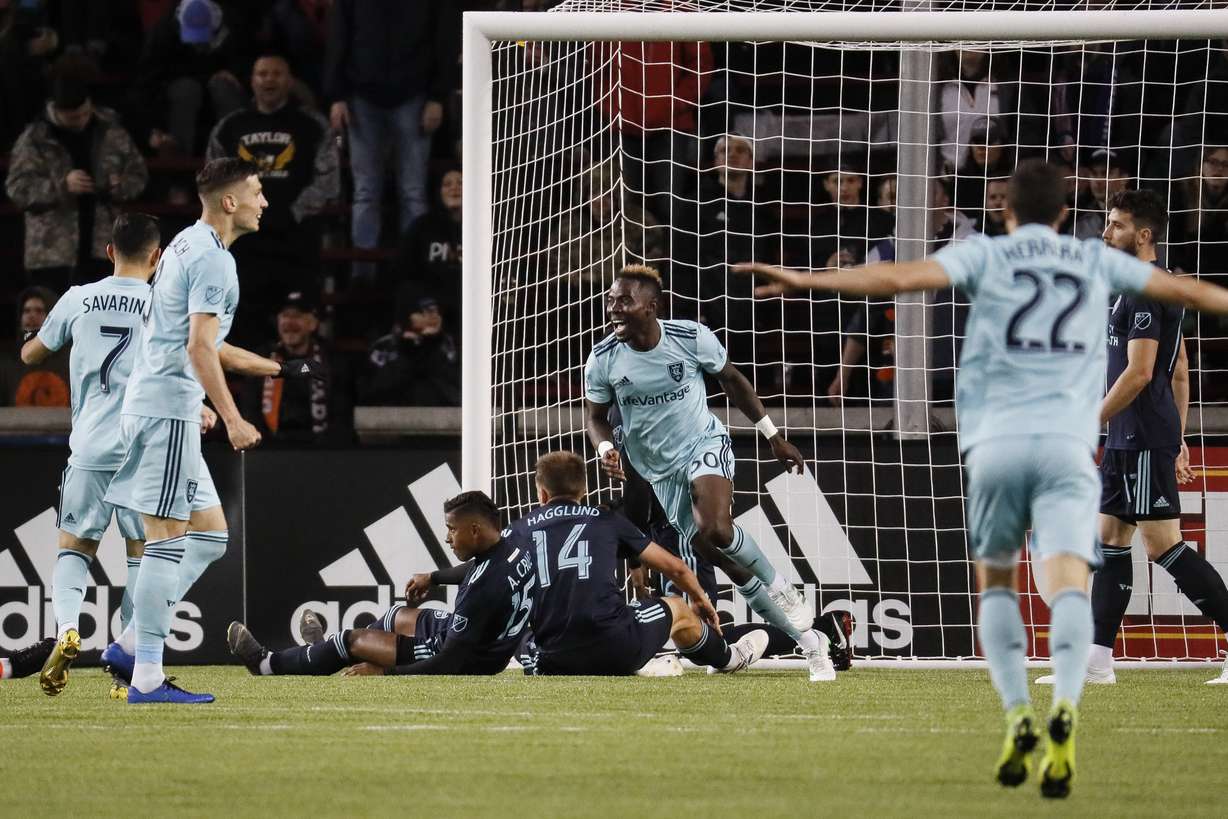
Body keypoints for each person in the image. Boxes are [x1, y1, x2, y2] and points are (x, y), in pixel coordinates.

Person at [736, 159, 1228, 798]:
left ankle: (1027, 701)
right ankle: (1084, 674)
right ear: (1064, 214)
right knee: (1086, 559)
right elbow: (1197, 306)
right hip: (1069, 436)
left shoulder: (988, 254)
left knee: (1010, 575)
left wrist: (805, 277)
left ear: (1006, 211)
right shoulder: (1098, 265)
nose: (1105, 230)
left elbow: (897, 276)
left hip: (1006, 431)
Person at [102, 158, 323, 704]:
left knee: (209, 534)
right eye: (256, 192)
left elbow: (209, 344)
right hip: (165, 411)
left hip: (162, 406)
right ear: (230, 202)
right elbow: (199, 348)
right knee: (166, 538)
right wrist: (232, 417)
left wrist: (277, 369)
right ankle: (146, 677)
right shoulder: (213, 261)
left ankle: (129, 645)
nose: (263, 202)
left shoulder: (187, 244)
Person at [583, 264, 838, 683]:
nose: (613, 308)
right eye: (611, 300)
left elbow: (732, 380)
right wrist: (606, 448)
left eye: (624, 300)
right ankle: (812, 644)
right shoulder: (603, 358)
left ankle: (781, 585)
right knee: (729, 564)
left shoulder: (689, 338)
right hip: (660, 472)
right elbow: (595, 417)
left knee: (716, 529)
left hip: (704, 445)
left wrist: (773, 436)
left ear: (651, 307)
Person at [1036, 189, 1228, 687]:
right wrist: (1179, 436)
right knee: (1110, 540)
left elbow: (1141, 373)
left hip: (1140, 435)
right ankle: (1097, 659)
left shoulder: (1144, 289)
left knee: (1164, 547)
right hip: (1133, 436)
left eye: (1116, 225)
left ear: (1143, 235)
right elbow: (1179, 368)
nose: (1105, 233)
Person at [18, 213, 161, 695]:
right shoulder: (162, 303)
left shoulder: (79, 297)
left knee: (74, 548)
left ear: (109, 251)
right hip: (141, 448)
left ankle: (67, 629)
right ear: (157, 256)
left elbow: (31, 355)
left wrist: (34, 341)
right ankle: (126, 664)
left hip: (90, 446)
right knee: (142, 555)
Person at [515, 451, 767, 676]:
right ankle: (730, 658)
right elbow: (677, 568)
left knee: (518, 629)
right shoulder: (604, 519)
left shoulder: (518, 531)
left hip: (553, 660)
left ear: (542, 493)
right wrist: (700, 600)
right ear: (583, 491)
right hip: (617, 647)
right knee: (678, 607)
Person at [227, 491, 532, 676]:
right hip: (482, 640)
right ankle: (319, 652)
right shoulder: (512, 545)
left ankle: (266, 663)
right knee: (394, 616)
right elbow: (479, 567)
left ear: (475, 530)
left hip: (468, 657)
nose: (447, 537)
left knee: (349, 641)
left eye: (452, 529)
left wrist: (385, 672)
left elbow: (450, 661)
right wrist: (434, 577)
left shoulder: (481, 590)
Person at [206, 53, 339, 340]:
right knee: (246, 330)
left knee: (297, 330)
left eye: (277, 74)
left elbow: (328, 180)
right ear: (252, 81)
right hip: (245, 244)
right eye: (262, 74)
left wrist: (293, 212)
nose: (269, 80)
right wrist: (239, 213)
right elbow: (213, 180)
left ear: (290, 81)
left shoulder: (312, 125)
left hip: (297, 241)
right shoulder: (230, 126)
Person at [325, 1, 455, 279]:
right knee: (366, 192)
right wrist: (337, 95)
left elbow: (444, 38)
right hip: (363, 95)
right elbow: (339, 36)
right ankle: (363, 277)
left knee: (413, 192)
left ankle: (416, 276)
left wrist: (437, 96)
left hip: (414, 93)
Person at [4, 74, 148, 291]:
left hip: (103, 246)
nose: (81, 120)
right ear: (56, 111)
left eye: (84, 114)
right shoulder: (34, 139)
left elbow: (138, 174)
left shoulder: (111, 130)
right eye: (72, 118)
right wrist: (62, 186)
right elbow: (17, 188)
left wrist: (121, 186)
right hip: (52, 253)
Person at [238, 290, 354, 445]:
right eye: (285, 316)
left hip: (321, 448)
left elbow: (342, 414)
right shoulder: (262, 359)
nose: (289, 322)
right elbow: (250, 409)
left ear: (313, 324)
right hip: (271, 448)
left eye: (297, 316)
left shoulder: (332, 361)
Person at [137, 0, 250, 155]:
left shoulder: (234, 26)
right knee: (186, 89)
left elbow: (248, 62)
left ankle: (235, 151)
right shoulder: (163, 32)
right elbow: (147, 82)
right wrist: (150, 130)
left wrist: (235, 74)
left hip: (218, 85)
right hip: (179, 89)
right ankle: (178, 154)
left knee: (224, 85)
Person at [359, 295, 460, 407]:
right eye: (427, 311)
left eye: (437, 311)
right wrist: (407, 346)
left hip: (440, 411)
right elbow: (375, 389)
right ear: (409, 317)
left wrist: (431, 343)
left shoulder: (447, 343)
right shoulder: (384, 345)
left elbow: (452, 385)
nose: (435, 316)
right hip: (393, 410)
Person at [396, 166, 462, 326]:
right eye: (447, 184)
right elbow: (405, 273)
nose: (454, 188)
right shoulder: (422, 227)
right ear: (438, 191)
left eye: (461, 183)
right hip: (430, 307)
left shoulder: (485, 227)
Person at [1, 287, 70, 407]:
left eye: (39, 311)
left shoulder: (70, 358)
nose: (32, 315)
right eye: (26, 311)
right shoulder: (6, 362)